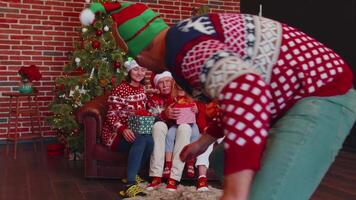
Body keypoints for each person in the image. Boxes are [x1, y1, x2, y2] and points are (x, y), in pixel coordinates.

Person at [81, 2, 356, 200]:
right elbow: (237, 93)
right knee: (224, 159)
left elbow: (247, 91)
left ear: (141, 55)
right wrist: (205, 140)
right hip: (290, 97)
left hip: (319, 95)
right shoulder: (189, 35)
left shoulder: (183, 48)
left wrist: (235, 192)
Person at [101, 58, 153, 198]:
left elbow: (143, 110)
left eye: (142, 70)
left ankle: (133, 174)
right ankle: (130, 185)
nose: (139, 73)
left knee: (150, 141)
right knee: (141, 140)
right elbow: (111, 115)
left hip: (135, 130)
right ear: (129, 71)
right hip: (115, 134)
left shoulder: (142, 89)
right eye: (136, 69)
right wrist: (122, 129)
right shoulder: (120, 89)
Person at [163, 82, 207, 191]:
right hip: (177, 125)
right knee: (170, 134)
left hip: (192, 125)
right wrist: (168, 113)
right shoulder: (172, 98)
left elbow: (202, 123)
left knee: (194, 132)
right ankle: (168, 165)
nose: (181, 85)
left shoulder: (196, 99)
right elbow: (167, 119)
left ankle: (190, 163)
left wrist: (197, 112)